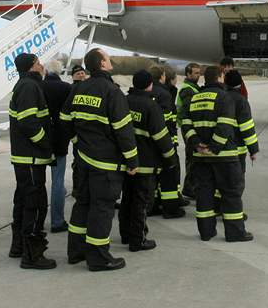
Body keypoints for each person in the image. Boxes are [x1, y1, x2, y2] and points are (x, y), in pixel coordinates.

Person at [61, 48, 138, 271]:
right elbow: (124, 131)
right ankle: (98, 258)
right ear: (103, 64)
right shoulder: (112, 92)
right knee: (102, 209)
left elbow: (65, 119)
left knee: (82, 204)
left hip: (83, 160)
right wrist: (132, 161)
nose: (110, 59)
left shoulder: (79, 88)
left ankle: (75, 252)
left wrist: (78, 141)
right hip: (105, 165)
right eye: (107, 57)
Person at [182, 65, 253, 242]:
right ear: (220, 77)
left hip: (199, 157)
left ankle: (206, 232)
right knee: (231, 194)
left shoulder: (193, 98)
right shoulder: (225, 97)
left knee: (204, 195)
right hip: (224, 157)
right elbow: (225, 125)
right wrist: (214, 147)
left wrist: (197, 145)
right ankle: (235, 233)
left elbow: (186, 125)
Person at [8, 53, 55, 270]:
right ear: (30, 67)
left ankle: (18, 246)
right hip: (31, 157)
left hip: (25, 157)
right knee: (35, 206)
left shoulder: (25, 85)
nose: (42, 65)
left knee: (23, 202)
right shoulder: (29, 87)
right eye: (38, 63)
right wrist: (45, 143)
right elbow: (28, 122)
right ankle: (32, 255)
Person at [122, 70, 176, 251]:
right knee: (142, 203)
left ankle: (125, 235)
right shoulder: (151, 106)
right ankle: (138, 240)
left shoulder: (125, 101)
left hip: (128, 163)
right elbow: (162, 137)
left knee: (127, 200)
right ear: (149, 85)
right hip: (146, 164)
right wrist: (170, 159)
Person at [147, 65, 185, 218]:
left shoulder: (145, 93)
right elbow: (169, 122)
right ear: (162, 76)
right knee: (169, 175)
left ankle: (154, 204)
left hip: (148, 143)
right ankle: (171, 209)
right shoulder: (164, 94)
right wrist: (172, 143)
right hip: (165, 141)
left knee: (153, 176)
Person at [42, 60, 72, 233]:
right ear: (60, 71)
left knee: (38, 182)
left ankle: (37, 220)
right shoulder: (66, 88)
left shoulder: (38, 87)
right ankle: (57, 221)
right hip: (60, 139)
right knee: (57, 181)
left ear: (46, 70)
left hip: (41, 139)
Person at [224, 69, 259, 218]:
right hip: (236, 151)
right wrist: (253, 150)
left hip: (218, 148)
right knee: (236, 183)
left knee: (222, 182)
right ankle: (233, 213)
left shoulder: (221, 97)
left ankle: (219, 207)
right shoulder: (241, 101)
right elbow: (247, 128)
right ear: (240, 84)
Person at [176, 62, 201, 198]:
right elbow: (189, 111)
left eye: (199, 72)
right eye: (196, 73)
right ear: (188, 74)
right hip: (188, 128)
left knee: (193, 158)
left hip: (190, 127)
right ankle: (189, 188)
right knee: (192, 159)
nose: (198, 75)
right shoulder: (187, 90)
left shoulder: (194, 88)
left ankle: (189, 187)